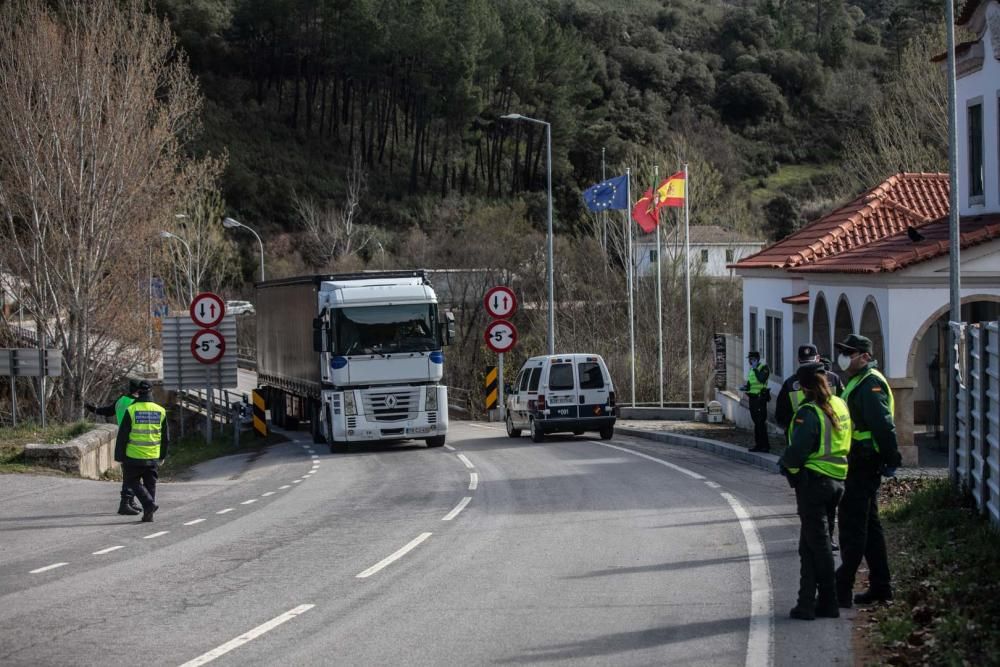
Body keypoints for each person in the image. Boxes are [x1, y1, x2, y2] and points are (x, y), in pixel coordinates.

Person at [833, 334, 902, 608]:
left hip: (864, 463)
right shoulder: (858, 381)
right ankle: (881, 586)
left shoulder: (870, 383)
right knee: (871, 528)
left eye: (849, 353)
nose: (844, 357)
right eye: (843, 351)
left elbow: (883, 424)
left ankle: (842, 586)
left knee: (853, 527)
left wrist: (892, 457)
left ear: (864, 356)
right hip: (860, 461)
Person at [779, 362, 851, 620]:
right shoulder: (840, 404)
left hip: (814, 484)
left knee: (819, 546)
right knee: (809, 544)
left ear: (804, 386)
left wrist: (789, 470)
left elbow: (797, 452)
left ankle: (829, 602)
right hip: (837, 481)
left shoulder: (808, 412)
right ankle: (806, 602)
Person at [776, 344, 845, 550]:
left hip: (805, 452)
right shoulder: (834, 379)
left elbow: (781, 416)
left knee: (808, 505)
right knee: (828, 505)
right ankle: (825, 539)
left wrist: (794, 432)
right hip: (832, 451)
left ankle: (814, 544)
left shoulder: (790, 383)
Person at [114, 381, 168, 522]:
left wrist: (119, 455)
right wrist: (162, 456)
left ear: (138, 392)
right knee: (150, 484)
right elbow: (165, 437)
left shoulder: (132, 409)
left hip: (134, 455)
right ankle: (148, 514)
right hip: (153, 455)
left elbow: (123, 435)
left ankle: (149, 505)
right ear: (151, 392)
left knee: (132, 481)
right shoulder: (160, 410)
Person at [86, 380, 142, 516]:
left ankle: (130, 502)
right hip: (135, 441)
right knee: (134, 474)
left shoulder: (121, 400)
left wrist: (93, 409)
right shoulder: (138, 404)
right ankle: (126, 503)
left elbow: (108, 411)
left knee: (129, 472)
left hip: (122, 440)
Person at [740, 351, 771, 452]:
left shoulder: (764, 368)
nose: (750, 361)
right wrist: (744, 388)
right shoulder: (752, 370)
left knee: (760, 422)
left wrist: (755, 369)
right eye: (749, 359)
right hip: (752, 399)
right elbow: (751, 384)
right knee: (756, 423)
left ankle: (765, 446)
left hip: (760, 399)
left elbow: (761, 379)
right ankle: (758, 445)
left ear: (757, 359)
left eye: (752, 359)